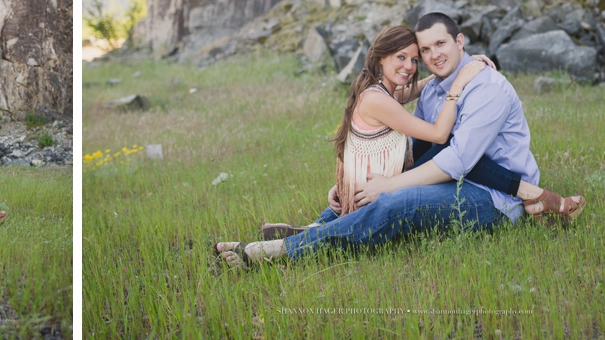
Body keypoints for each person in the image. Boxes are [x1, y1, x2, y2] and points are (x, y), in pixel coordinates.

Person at [216, 15, 585, 268]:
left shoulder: (486, 87)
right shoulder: (433, 88)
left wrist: (390, 184)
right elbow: (417, 149)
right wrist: (351, 181)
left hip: (490, 198)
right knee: (371, 190)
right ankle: (319, 229)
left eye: (439, 44)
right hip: (456, 176)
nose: (430, 56)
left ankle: (281, 250)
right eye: (423, 51)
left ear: (459, 41)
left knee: (397, 201)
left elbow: (456, 160)